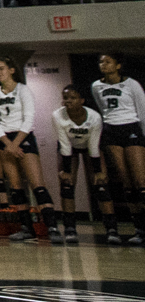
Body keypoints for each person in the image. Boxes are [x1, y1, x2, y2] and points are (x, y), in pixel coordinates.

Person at [0, 57, 50, 243]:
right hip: (5, 140)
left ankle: (51, 226)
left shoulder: (23, 90)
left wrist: (16, 143)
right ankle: (26, 228)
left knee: (37, 183)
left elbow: (29, 118)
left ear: (12, 70)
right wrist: (7, 143)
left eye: (1, 68)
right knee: (15, 186)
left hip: (23, 137)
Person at [90, 53, 143, 246]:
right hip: (112, 130)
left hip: (131, 127)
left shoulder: (131, 84)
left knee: (140, 181)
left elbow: (142, 109)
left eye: (107, 61)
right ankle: (139, 229)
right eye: (101, 61)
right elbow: (103, 109)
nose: (103, 64)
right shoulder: (97, 86)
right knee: (126, 182)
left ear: (118, 65)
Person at [53, 85, 105, 247]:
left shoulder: (94, 117)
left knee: (101, 184)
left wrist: (98, 171)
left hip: (90, 146)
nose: (68, 101)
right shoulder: (58, 115)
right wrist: (66, 171)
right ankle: (70, 229)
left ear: (82, 100)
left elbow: (94, 147)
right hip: (70, 147)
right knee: (67, 185)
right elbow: (65, 145)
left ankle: (111, 229)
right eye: (65, 98)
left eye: (72, 98)